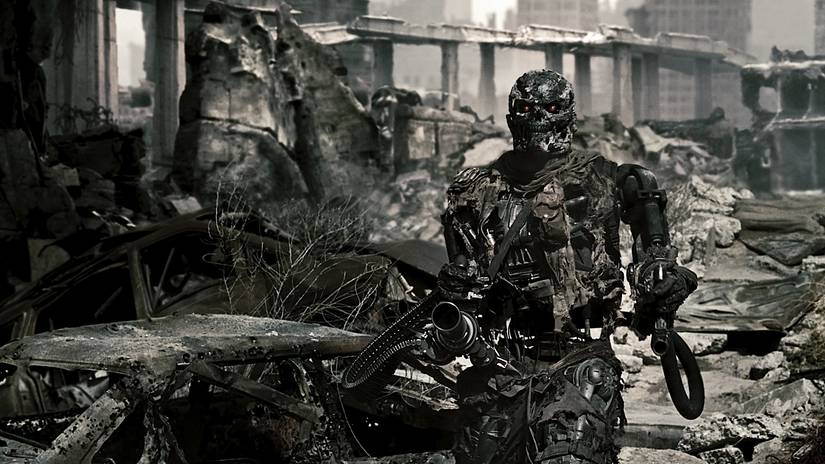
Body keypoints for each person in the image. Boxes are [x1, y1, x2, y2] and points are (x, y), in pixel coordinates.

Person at [434, 69, 698, 464]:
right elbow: (461, 271)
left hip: (579, 353)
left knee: (571, 449)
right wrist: (455, 294)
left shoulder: (606, 179)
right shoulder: (475, 190)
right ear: (513, 117)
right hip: (501, 361)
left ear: (567, 115)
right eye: (527, 109)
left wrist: (659, 280)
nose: (539, 118)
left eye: (550, 108)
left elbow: (654, 253)